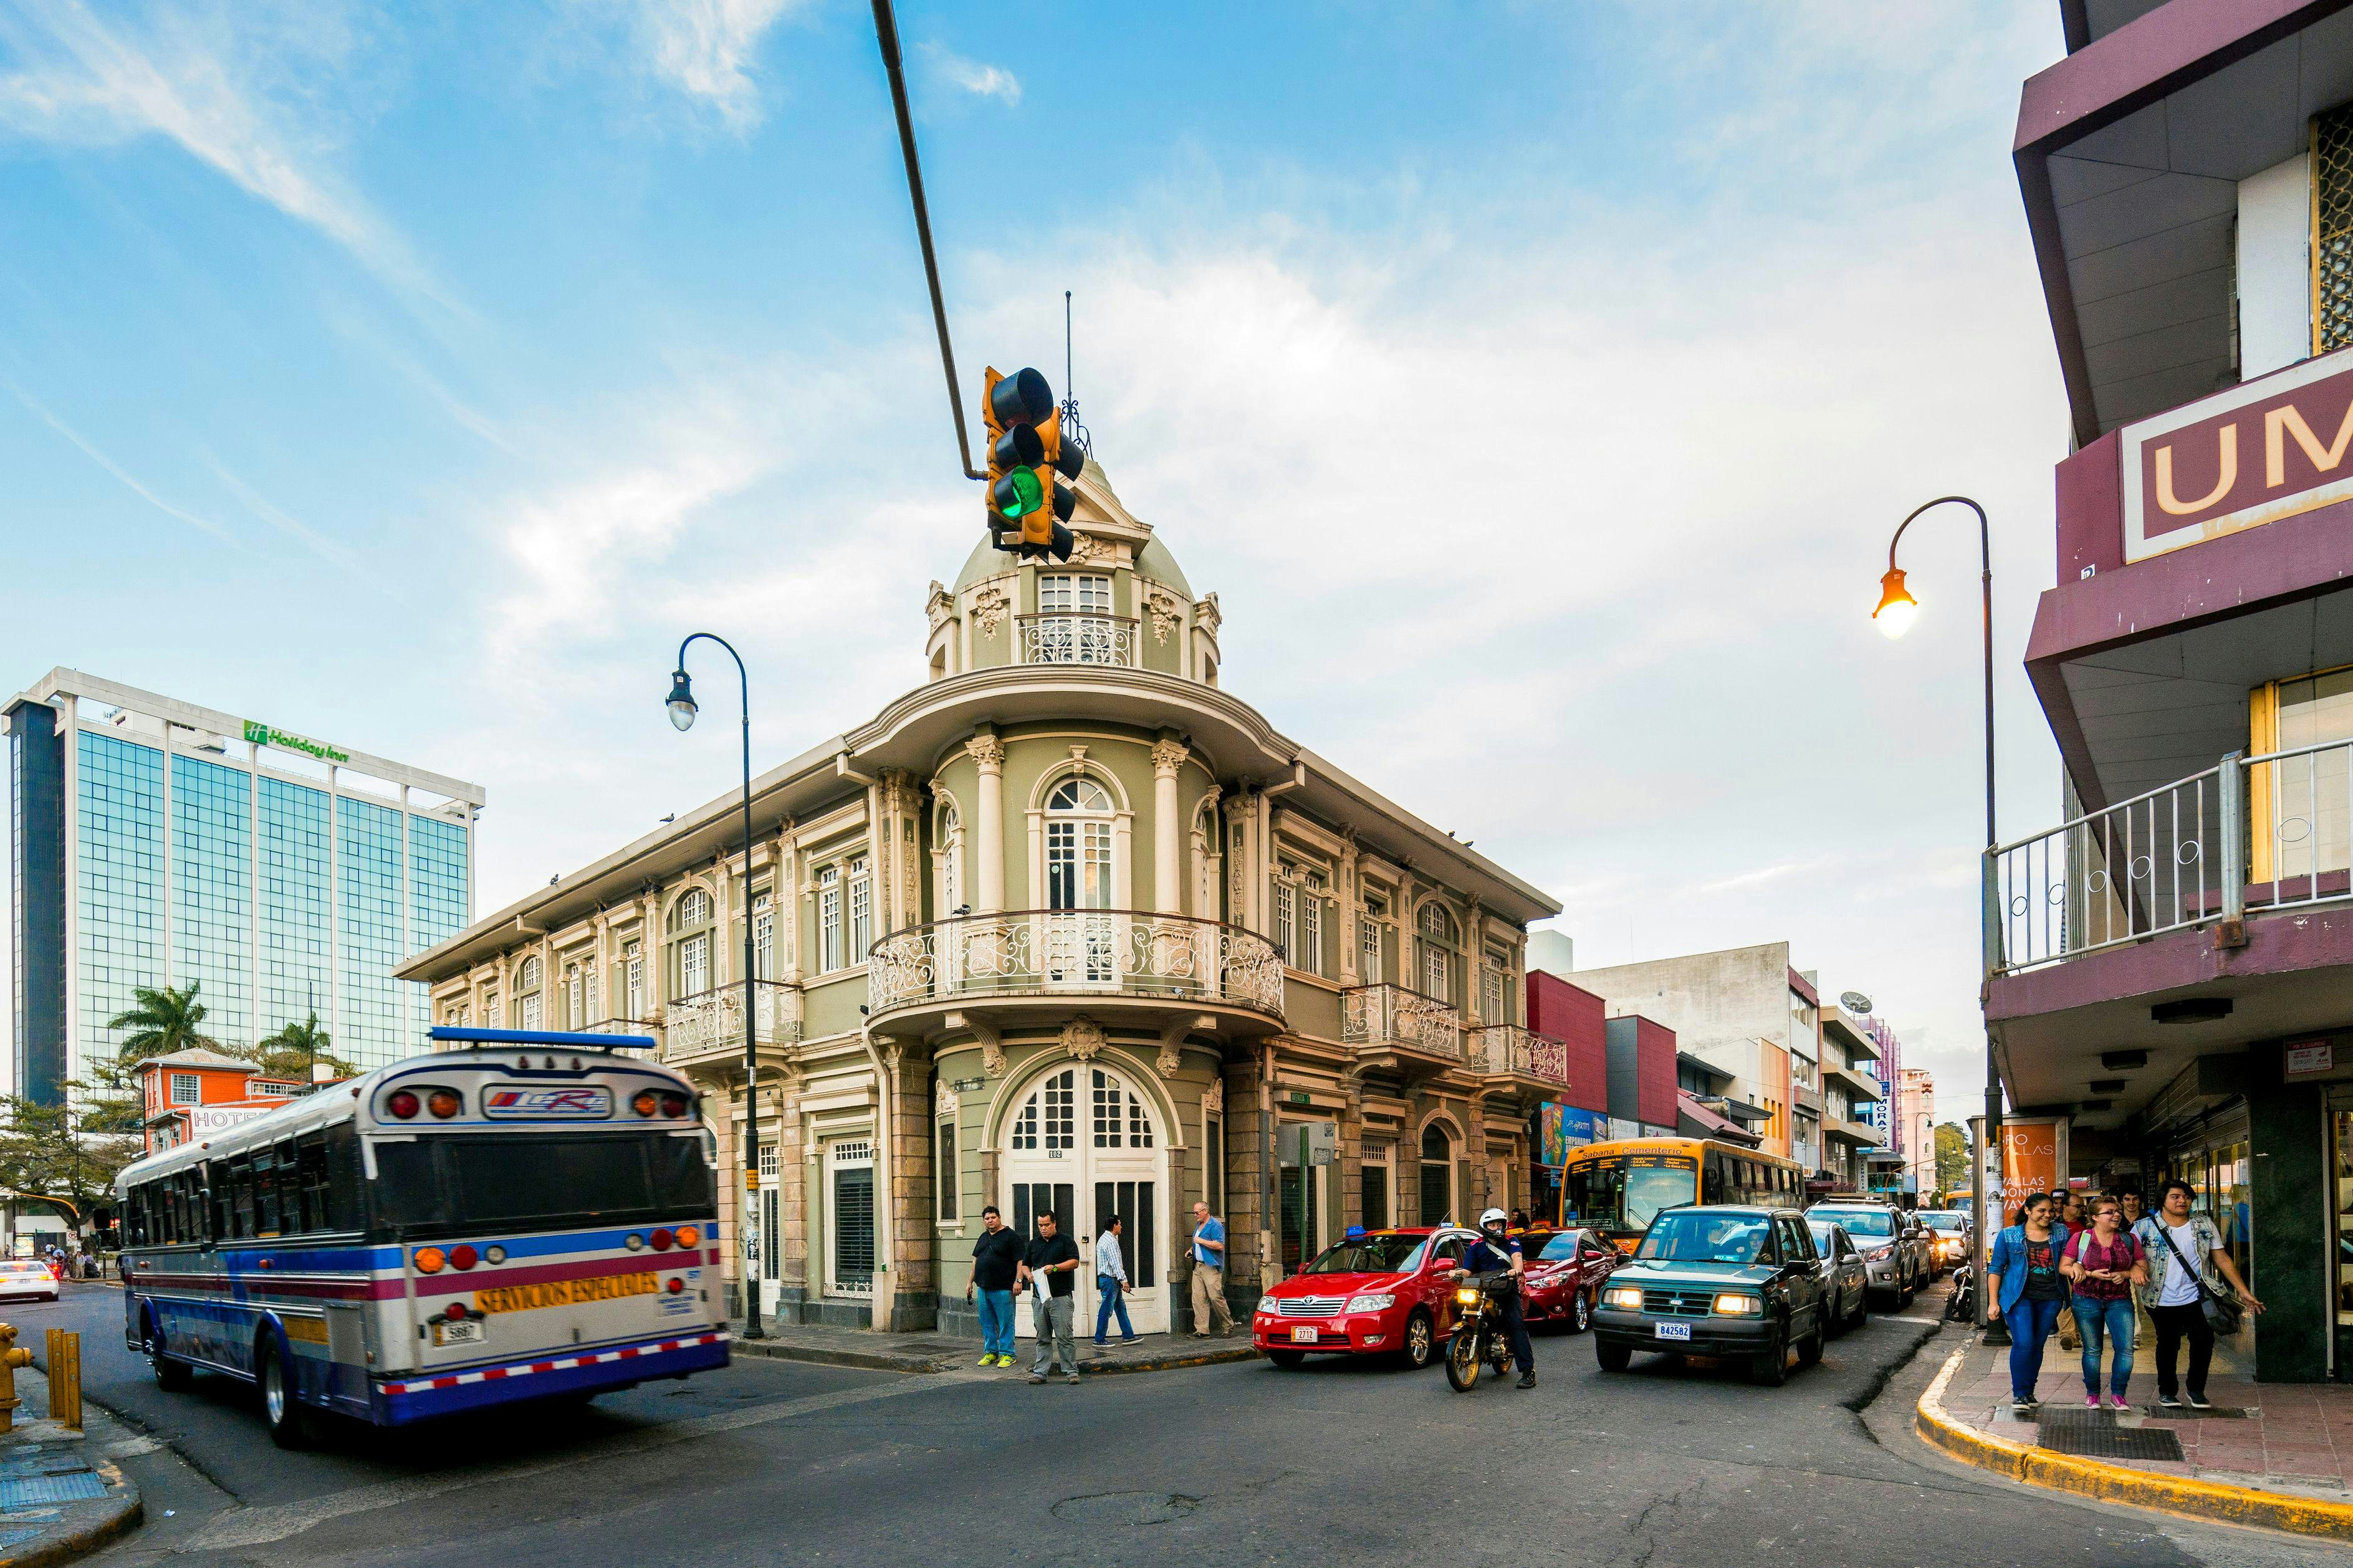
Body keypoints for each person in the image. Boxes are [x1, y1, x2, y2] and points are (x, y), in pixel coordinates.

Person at [2132, 1178, 2263, 1411]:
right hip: (2159, 1297)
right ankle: (2168, 1391)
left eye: (2186, 1197)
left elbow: (2221, 1258)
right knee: (2168, 1344)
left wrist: (2243, 1291)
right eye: (2176, 1196)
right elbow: (2131, 1258)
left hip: (2198, 1295)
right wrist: (2135, 1270)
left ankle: (2196, 1390)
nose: (2182, 1201)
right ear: (2163, 1200)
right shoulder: (2143, 1227)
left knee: (2203, 1341)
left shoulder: (2203, 1224)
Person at [1985, 1192, 2072, 1413]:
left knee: (2037, 1345)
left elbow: (2071, 1259)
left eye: (2051, 1211)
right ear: (2028, 1211)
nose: (2047, 1215)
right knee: (2023, 1343)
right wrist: (1993, 1302)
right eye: (2042, 1211)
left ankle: (2029, 1391)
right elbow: (1995, 1269)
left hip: (2051, 1297)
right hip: (2018, 1297)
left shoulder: (2061, 1232)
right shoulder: (2009, 1236)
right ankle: (2019, 1394)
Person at [2061, 1197, 2145, 1410]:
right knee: (2092, 1349)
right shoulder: (2081, 1239)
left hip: (2120, 1300)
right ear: (2094, 1218)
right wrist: (2085, 1271)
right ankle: (2093, 1394)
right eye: (2109, 1212)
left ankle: (2119, 1394)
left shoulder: (2128, 1239)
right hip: (2086, 1299)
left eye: (2117, 1211)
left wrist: (2125, 1274)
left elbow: (2143, 1269)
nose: (2116, 1215)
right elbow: (2064, 1267)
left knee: (2125, 1349)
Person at [1452, 1207, 1535, 1389]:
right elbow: (1468, 1270)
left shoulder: (1511, 1242)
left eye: (1499, 1224)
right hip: (1484, 1289)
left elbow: (1517, 1258)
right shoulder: (1476, 1246)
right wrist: (1457, 1272)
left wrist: (1516, 1270)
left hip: (1506, 1289)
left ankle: (1528, 1372)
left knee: (1515, 1324)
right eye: (1492, 1224)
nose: (1496, 1227)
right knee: (1458, 1306)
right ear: (1485, 1226)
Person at [1018, 1210, 1083, 1385]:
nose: (1043, 1229)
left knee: (1065, 1337)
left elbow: (1074, 1262)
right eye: (1040, 1226)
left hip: (1060, 1297)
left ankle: (1071, 1372)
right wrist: (1028, 1275)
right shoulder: (1033, 1244)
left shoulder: (1065, 1241)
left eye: (1047, 1225)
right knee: (1042, 1337)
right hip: (1039, 1298)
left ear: (1054, 1223)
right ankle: (1040, 1373)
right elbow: (1025, 1264)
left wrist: (1055, 1268)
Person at [965, 1205, 1023, 1368]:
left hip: (1004, 1288)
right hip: (983, 1288)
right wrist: (970, 1282)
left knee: (1006, 1322)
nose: (990, 1221)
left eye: (993, 1218)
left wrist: (1018, 1281)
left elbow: (1020, 1260)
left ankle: (1007, 1354)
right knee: (987, 1322)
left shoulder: (1011, 1236)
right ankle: (990, 1352)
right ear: (984, 1221)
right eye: (987, 1219)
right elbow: (976, 1261)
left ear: (999, 1218)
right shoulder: (983, 1237)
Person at [1092, 1215, 1140, 1347]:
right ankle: (1099, 1339)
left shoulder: (1104, 1239)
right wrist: (1124, 1280)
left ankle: (1129, 1335)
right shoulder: (1110, 1242)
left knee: (1120, 1308)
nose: (1121, 1227)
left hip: (1110, 1280)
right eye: (1120, 1224)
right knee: (1106, 1310)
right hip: (1110, 1280)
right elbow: (1116, 1264)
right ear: (1115, 1226)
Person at [1189, 1202, 1233, 1339]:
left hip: (1211, 1267)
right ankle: (1202, 1330)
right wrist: (1192, 1250)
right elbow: (1198, 1243)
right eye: (1194, 1213)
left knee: (1215, 1297)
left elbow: (1219, 1245)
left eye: (1197, 1212)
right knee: (1198, 1299)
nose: (1195, 1215)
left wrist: (1200, 1241)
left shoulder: (1215, 1225)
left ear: (1205, 1211)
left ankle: (1228, 1326)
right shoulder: (1200, 1225)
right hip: (1198, 1266)